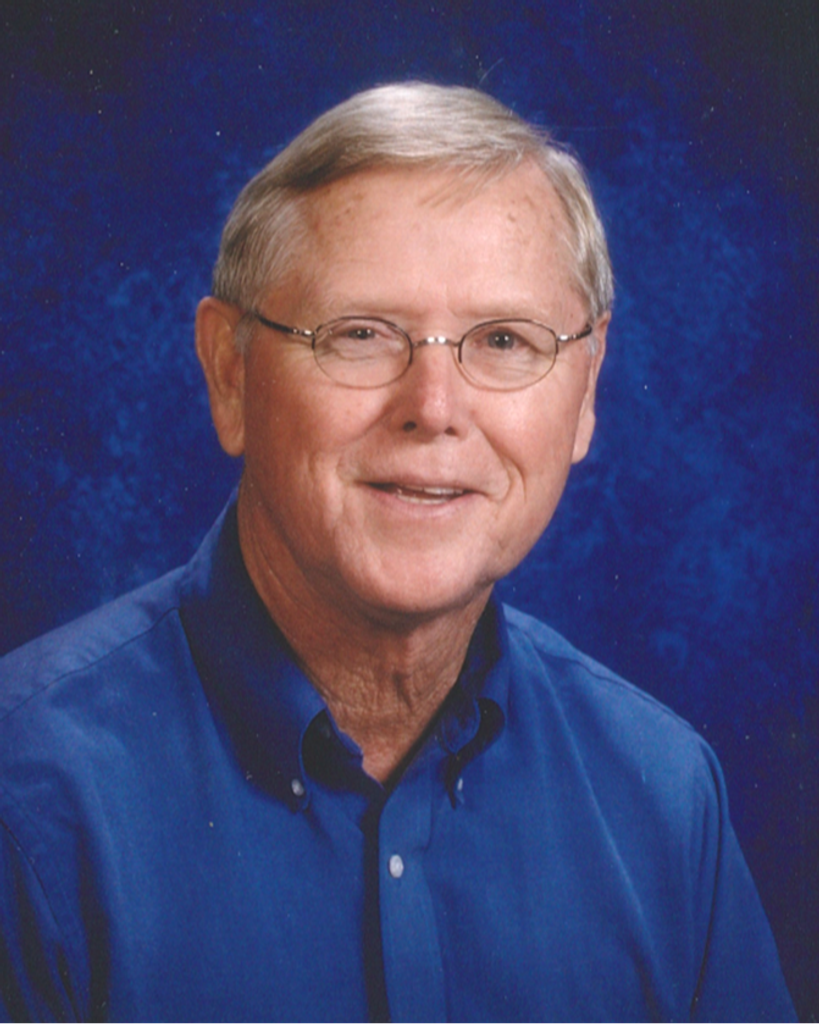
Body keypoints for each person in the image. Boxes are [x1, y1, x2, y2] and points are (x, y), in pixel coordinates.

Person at [0, 82, 795, 1024]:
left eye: (503, 340)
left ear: (585, 392)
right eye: (361, 335)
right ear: (229, 373)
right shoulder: (29, 795)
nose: (434, 407)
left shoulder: (662, 794)